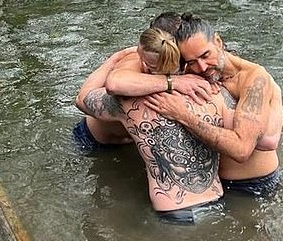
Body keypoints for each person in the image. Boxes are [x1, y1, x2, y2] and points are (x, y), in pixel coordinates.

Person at [76, 28, 230, 224]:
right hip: (217, 202)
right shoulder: (213, 90)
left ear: (145, 66)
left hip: (174, 212)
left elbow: (82, 99)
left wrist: (113, 60)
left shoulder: (126, 102)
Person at [145, 13, 283, 197]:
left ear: (218, 41)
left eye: (205, 55)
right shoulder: (193, 71)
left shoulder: (254, 79)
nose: (201, 67)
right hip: (214, 186)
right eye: (192, 62)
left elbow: (241, 149)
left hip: (254, 187)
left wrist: (183, 115)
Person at [73, 12, 214, 151]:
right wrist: (173, 82)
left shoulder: (192, 57)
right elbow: (113, 84)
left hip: (138, 140)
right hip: (97, 141)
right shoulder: (137, 59)